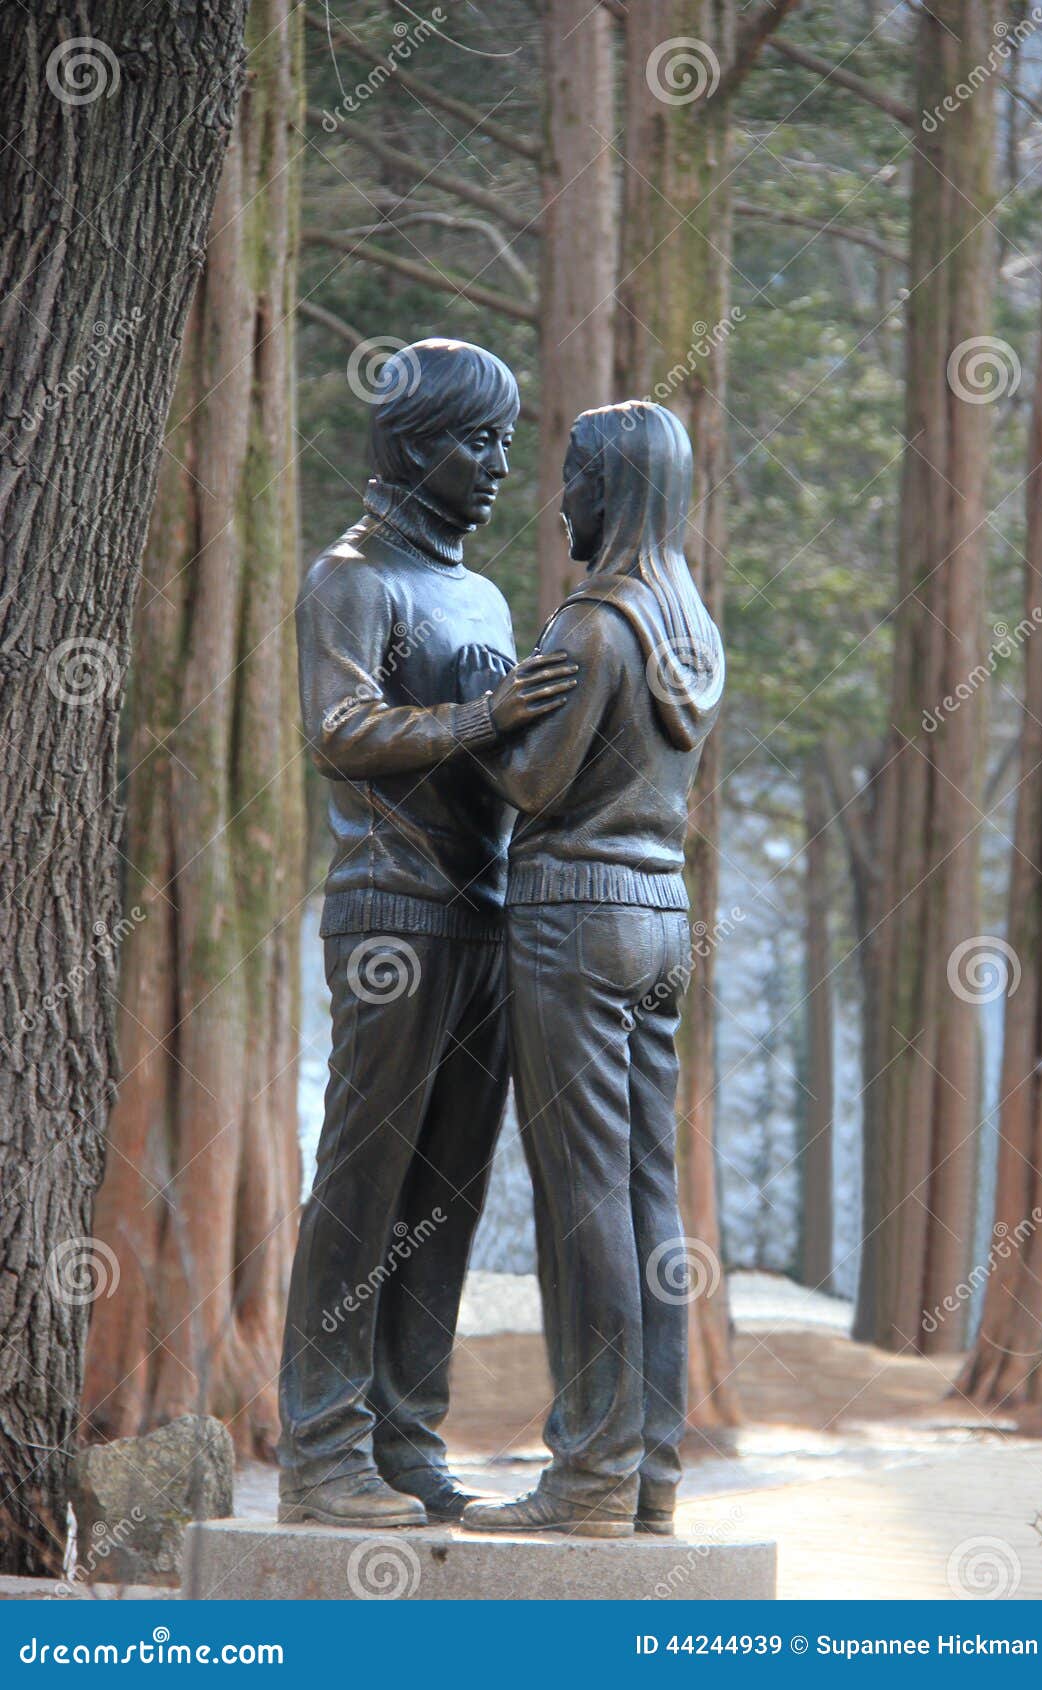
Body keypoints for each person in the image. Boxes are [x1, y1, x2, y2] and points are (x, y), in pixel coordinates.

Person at [279, 339, 575, 1528]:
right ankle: (319, 1447)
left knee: (446, 1190)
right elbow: (340, 728)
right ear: (408, 444)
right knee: (362, 1180)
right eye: (474, 439)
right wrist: (486, 711)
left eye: (507, 440)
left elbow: (505, 753)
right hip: (390, 916)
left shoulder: (484, 593)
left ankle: (405, 1433)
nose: (498, 464)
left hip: (486, 916)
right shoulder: (350, 578)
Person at [461, 401, 724, 1539]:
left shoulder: (592, 623)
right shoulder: (691, 626)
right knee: (647, 1190)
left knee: (583, 1201)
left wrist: (479, 710)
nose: (559, 496)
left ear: (613, 488)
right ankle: (651, 1471)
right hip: (663, 915)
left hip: (572, 914)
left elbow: (530, 782)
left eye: (574, 476)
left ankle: (586, 1474)